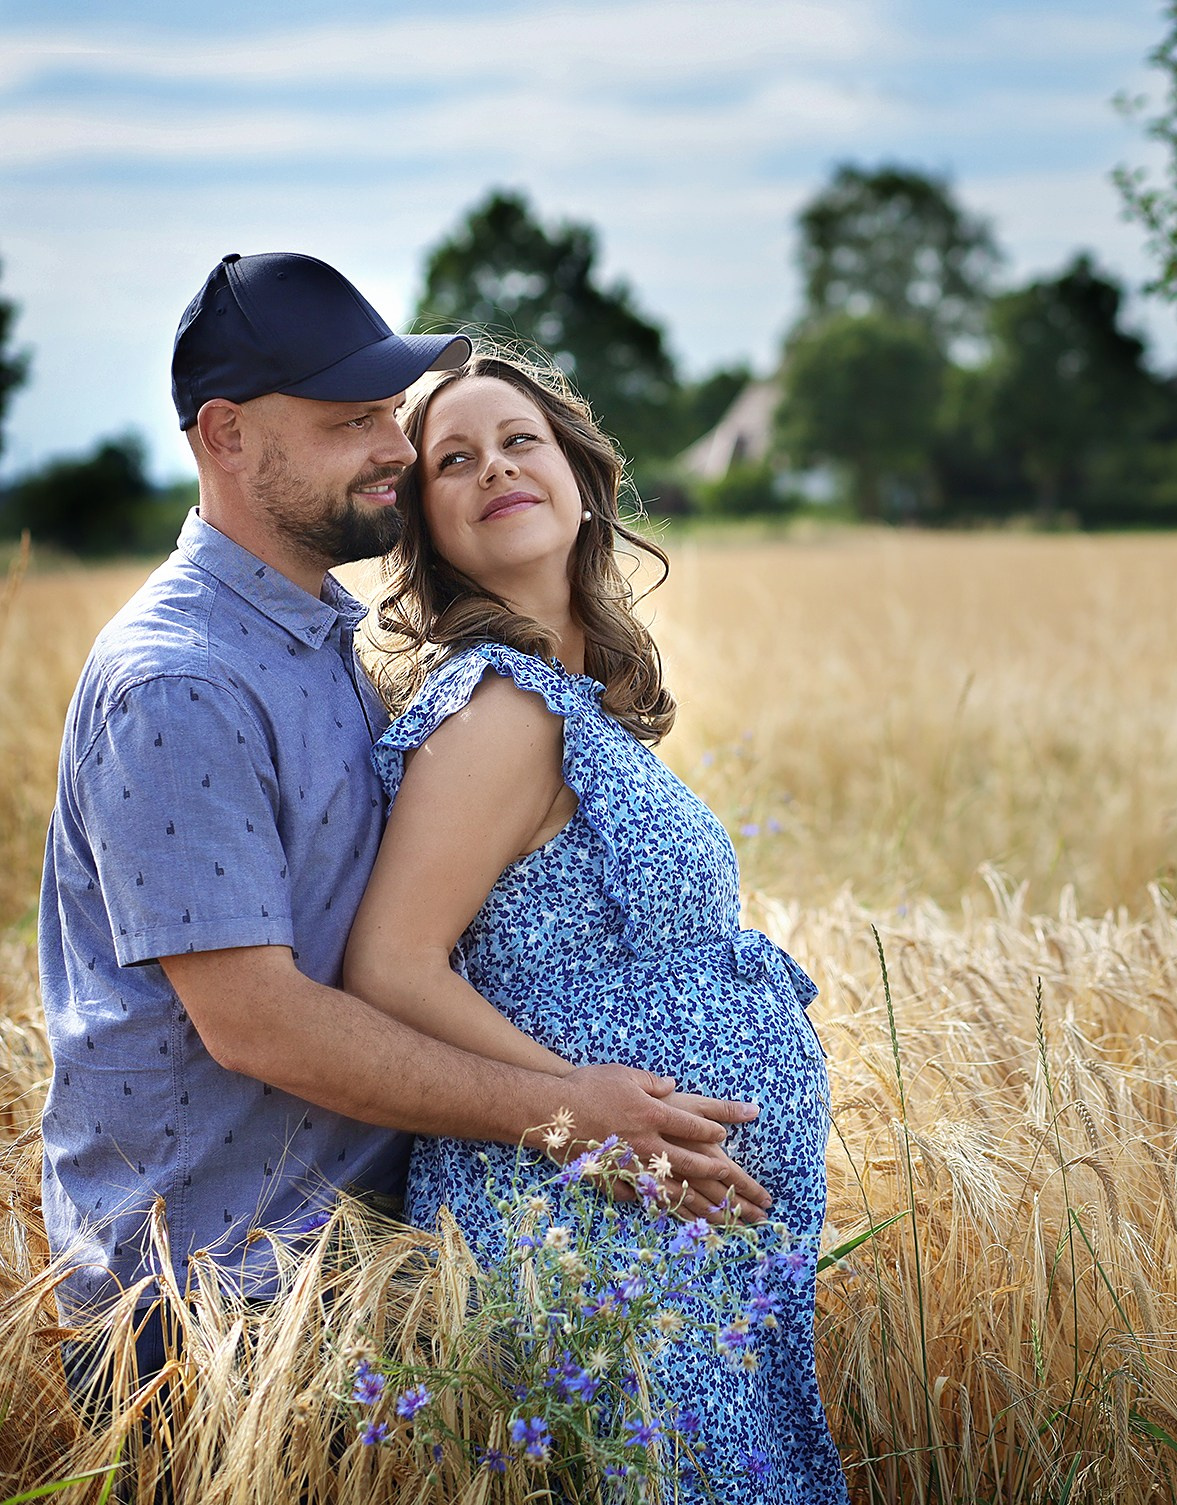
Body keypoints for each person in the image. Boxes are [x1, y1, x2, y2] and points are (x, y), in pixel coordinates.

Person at [39, 252, 767, 1388]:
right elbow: (259, 1023)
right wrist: (570, 1112)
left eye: (390, 411)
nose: (395, 445)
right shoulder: (179, 681)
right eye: (350, 420)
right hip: (209, 1313)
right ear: (226, 436)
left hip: (355, 1281)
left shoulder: (322, 633)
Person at [340, 343, 846, 1501]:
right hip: (583, 1223)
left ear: (579, 476)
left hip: (660, 1234)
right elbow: (391, 963)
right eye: (451, 461)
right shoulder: (500, 708)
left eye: (519, 440)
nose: (494, 468)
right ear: (427, 527)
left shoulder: (568, 702)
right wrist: (585, 1121)